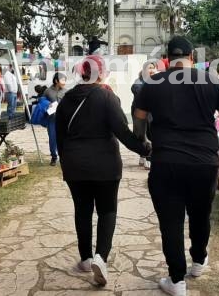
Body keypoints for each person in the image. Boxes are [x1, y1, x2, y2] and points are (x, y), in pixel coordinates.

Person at [133, 36, 219, 296]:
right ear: (192, 57)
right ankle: (199, 261)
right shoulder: (210, 79)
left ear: (167, 59)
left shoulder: (153, 82)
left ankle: (177, 281)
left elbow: (139, 117)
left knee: (170, 221)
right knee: (201, 214)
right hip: (203, 162)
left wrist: (142, 140)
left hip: (166, 161)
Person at [55, 54, 150, 287]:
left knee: (82, 210)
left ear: (82, 73)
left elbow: (60, 138)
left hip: (75, 166)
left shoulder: (66, 99)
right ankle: (101, 257)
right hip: (105, 165)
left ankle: (86, 258)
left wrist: (67, 162)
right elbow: (123, 132)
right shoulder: (107, 97)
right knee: (107, 211)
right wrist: (144, 149)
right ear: (102, 73)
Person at [131, 59, 165, 169]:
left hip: (153, 112)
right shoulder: (139, 81)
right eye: (149, 68)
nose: (151, 70)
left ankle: (148, 155)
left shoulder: (158, 81)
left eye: (153, 67)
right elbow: (136, 90)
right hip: (140, 112)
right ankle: (145, 155)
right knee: (141, 134)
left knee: (152, 134)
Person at [43, 72, 67, 166]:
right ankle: (54, 157)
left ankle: (63, 157)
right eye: (62, 80)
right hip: (52, 119)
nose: (64, 82)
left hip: (63, 119)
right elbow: (41, 101)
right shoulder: (48, 91)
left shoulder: (66, 91)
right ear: (56, 81)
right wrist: (47, 104)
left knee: (63, 138)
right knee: (52, 138)